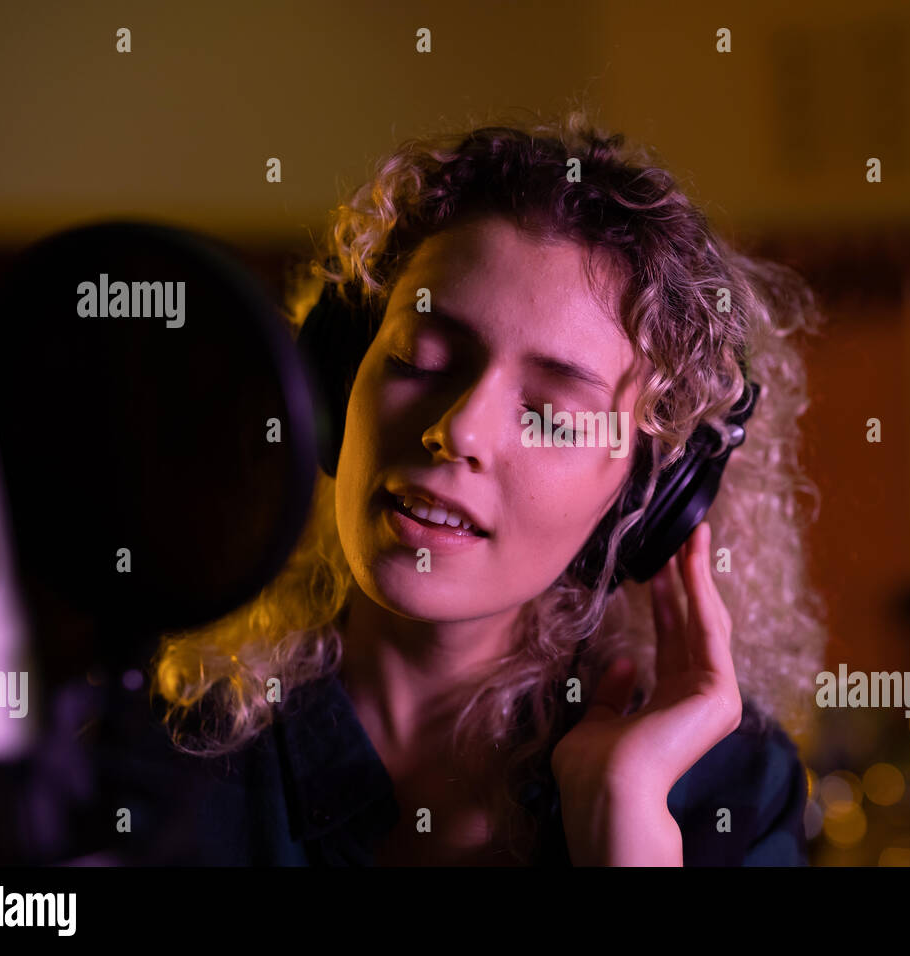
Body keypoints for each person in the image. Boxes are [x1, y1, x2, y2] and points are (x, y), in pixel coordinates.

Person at [147, 108, 826, 866]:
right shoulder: (153, 750)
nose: (460, 431)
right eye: (423, 358)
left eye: (552, 416)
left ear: (642, 499)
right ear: (341, 380)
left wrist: (625, 829)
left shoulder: (727, 793)